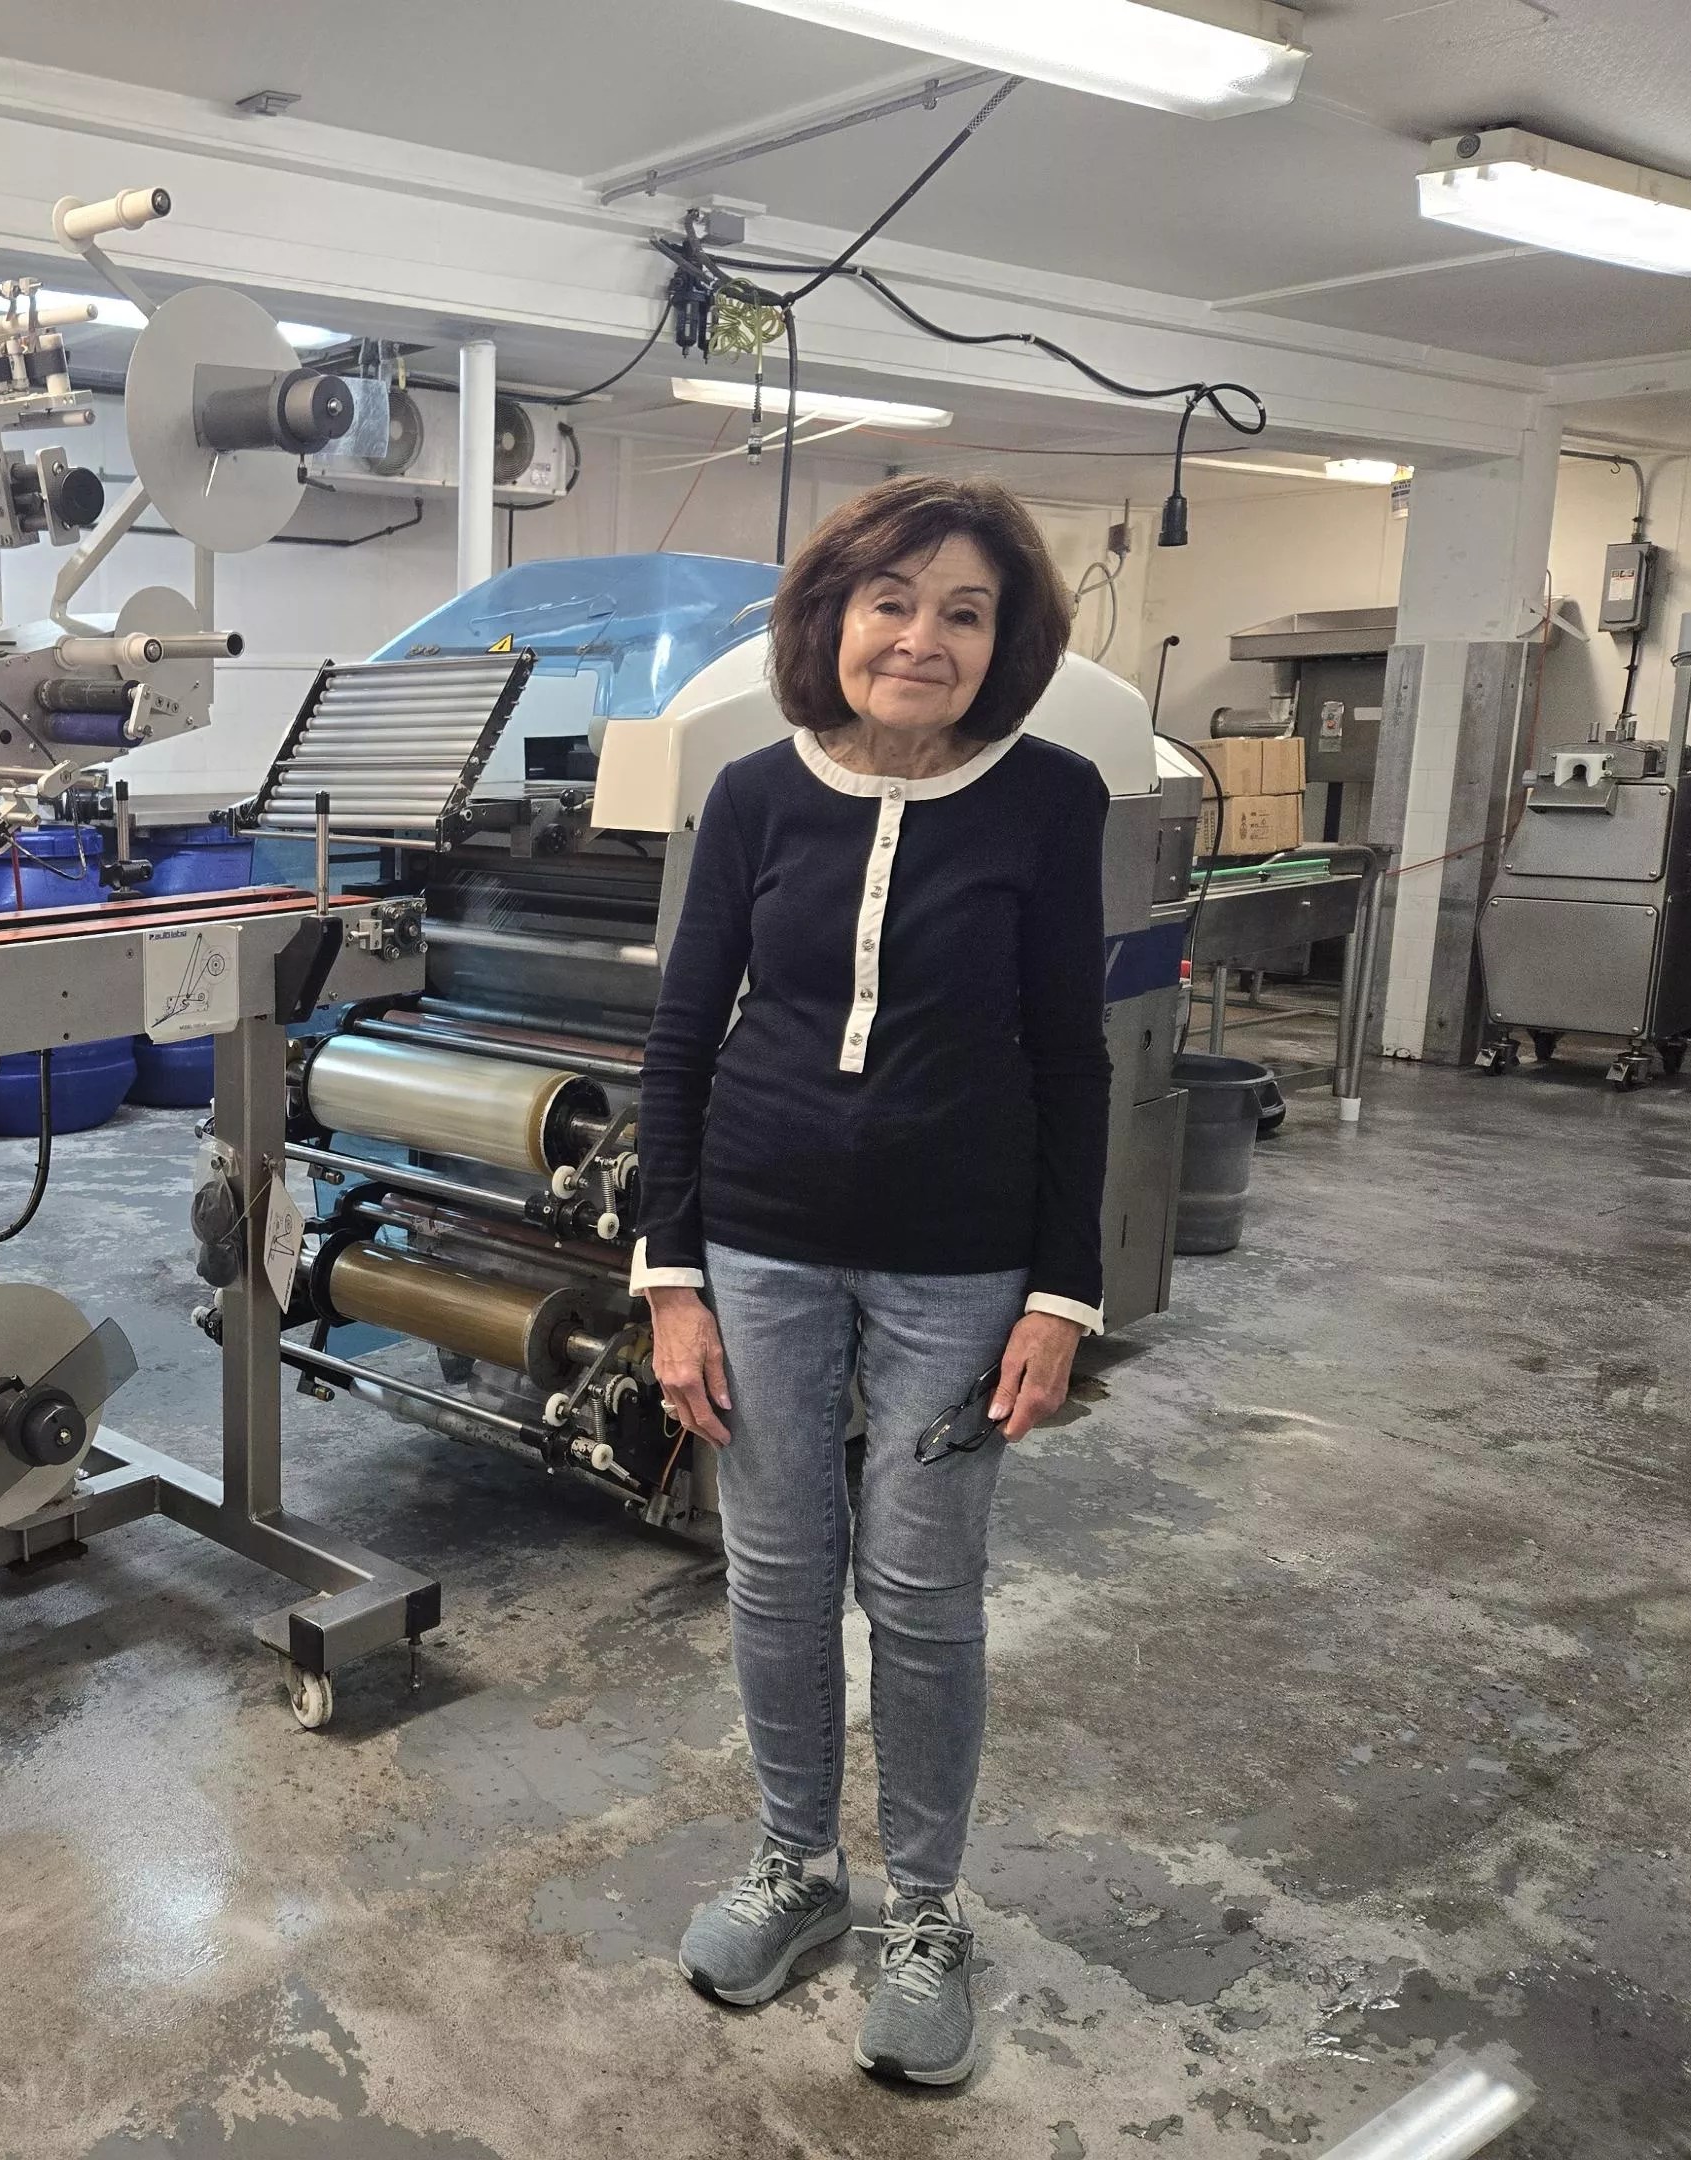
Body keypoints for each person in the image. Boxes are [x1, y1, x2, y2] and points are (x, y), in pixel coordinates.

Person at [634, 474, 1110, 2088]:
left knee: (921, 1593)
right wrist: (670, 1276)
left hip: (960, 1268)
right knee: (774, 1572)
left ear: (1005, 640)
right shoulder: (758, 796)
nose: (923, 637)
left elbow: (1070, 1052)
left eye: (964, 612)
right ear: (832, 615)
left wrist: (1062, 1293)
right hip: (758, 1247)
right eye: (892, 601)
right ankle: (795, 1870)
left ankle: (924, 1909)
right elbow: (684, 1036)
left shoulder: (1049, 803)